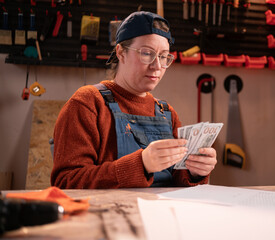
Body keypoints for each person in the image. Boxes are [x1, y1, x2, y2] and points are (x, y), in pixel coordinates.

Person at [51, 11, 218, 188]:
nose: (157, 66)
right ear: (121, 52)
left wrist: (195, 171)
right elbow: (66, 182)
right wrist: (141, 165)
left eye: (163, 56)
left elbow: (177, 176)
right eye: (147, 53)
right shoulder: (88, 103)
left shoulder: (167, 112)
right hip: (112, 214)